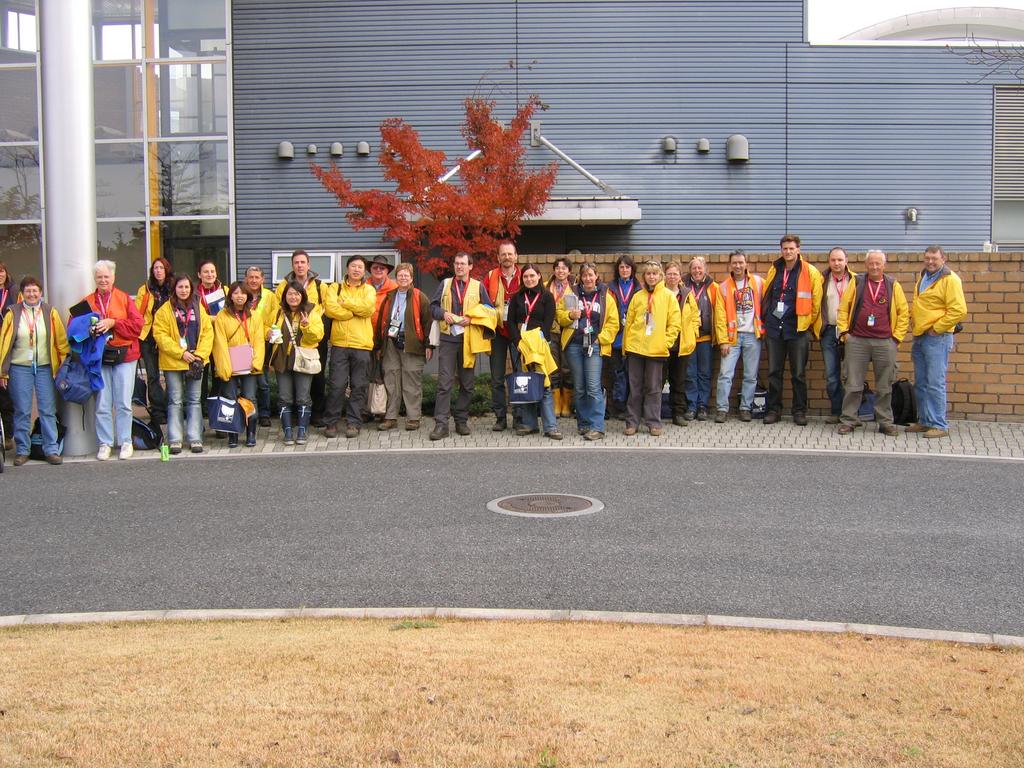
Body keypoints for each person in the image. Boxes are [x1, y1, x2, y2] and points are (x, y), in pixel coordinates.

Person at [836, 250, 909, 436]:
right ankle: (849, 420)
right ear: (866, 265)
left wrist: (896, 338)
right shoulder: (857, 282)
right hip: (857, 341)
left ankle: (885, 422)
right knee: (853, 383)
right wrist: (845, 333)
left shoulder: (893, 285)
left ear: (884, 265)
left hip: (885, 342)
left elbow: (903, 313)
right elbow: (843, 309)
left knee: (885, 386)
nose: (874, 267)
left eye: (878, 263)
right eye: (871, 263)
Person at [0, 276, 69, 465]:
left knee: (47, 409)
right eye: (28, 291)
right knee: (22, 410)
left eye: (35, 291)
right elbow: (3, 343)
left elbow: (61, 341)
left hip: (45, 367)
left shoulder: (50, 312)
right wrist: (3, 370)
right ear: (22, 293)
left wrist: (62, 365)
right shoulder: (12, 313)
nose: (31, 294)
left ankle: (51, 449)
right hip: (19, 367)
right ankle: (23, 450)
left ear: (40, 293)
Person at [429, 252, 496, 440]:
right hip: (448, 339)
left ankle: (461, 420)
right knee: (444, 383)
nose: (459, 267)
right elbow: (432, 307)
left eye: (463, 264)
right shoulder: (445, 284)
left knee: (467, 384)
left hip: (469, 340)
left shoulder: (478, 286)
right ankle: (441, 425)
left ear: (470, 266)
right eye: (457, 263)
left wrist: (472, 319)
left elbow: (489, 311)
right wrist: (443, 314)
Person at [84, 260, 145, 460]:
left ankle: (126, 441)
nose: (103, 280)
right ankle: (105, 443)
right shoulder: (87, 301)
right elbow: (74, 329)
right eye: (99, 277)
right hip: (99, 357)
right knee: (102, 403)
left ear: (113, 278)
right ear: (95, 279)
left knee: (123, 402)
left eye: (106, 276)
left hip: (124, 355)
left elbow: (138, 326)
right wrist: (88, 330)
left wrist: (114, 323)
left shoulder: (124, 298)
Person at [761, 234, 823, 426]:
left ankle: (799, 411)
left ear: (798, 249)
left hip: (797, 329)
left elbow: (816, 302)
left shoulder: (810, 271)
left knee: (798, 374)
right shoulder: (774, 268)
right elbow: (768, 295)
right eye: (785, 248)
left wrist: (807, 323)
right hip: (775, 329)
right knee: (774, 372)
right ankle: (774, 410)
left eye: (791, 248)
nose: (788, 252)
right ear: (781, 250)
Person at [907, 245, 968, 438]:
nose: (930, 262)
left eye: (934, 258)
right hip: (920, 335)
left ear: (943, 259)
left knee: (935, 382)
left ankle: (939, 425)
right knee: (921, 382)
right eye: (927, 258)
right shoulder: (924, 276)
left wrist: (937, 328)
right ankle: (925, 420)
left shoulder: (950, 279)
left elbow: (959, 310)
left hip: (937, 338)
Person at [556, 262, 619, 440]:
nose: (588, 278)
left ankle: (597, 427)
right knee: (579, 387)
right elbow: (559, 314)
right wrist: (569, 315)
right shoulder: (571, 294)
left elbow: (613, 323)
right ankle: (583, 424)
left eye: (591, 275)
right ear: (580, 277)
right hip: (574, 345)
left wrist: (601, 339)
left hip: (595, 345)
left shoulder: (606, 296)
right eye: (585, 275)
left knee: (593, 386)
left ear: (596, 276)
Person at [152, 274, 214, 454]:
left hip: (195, 362)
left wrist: (199, 355)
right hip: (173, 362)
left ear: (191, 289)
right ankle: (175, 439)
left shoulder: (198, 307)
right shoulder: (165, 310)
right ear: (174, 289)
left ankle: (195, 438)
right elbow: (160, 336)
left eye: (187, 287)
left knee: (194, 400)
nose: (184, 290)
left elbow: (208, 333)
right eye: (180, 287)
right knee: (175, 401)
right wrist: (181, 353)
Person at [622, 261, 680, 436]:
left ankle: (653, 422)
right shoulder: (637, 296)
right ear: (644, 276)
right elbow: (629, 322)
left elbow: (674, 324)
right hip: (636, 349)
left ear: (660, 276)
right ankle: (632, 422)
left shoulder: (668, 296)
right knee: (635, 388)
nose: (651, 277)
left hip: (656, 350)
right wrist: (626, 345)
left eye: (655, 273)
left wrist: (665, 343)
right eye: (648, 274)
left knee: (653, 388)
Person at [321, 254, 376, 438]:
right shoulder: (335, 288)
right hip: (340, 344)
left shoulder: (369, 289)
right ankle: (331, 422)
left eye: (360, 267)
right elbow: (330, 309)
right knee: (336, 385)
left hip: (362, 344)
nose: (356, 269)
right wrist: (351, 312)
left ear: (364, 271)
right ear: (347, 268)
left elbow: (368, 309)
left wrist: (346, 304)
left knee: (359, 386)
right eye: (353, 266)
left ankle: (354, 423)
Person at [374, 262, 433, 431]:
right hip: (390, 343)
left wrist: (429, 345)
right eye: (400, 275)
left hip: (412, 344)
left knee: (411, 381)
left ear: (411, 278)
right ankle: (390, 417)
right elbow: (381, 322)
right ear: (396, 278)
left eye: (406, 275)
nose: (403, 278)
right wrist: (379, 346)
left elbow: (428, 323)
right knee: (391, 380)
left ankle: (413, 418)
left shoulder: (419, 297)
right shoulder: (389, 296)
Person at [275, 249, 329, 426]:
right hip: (289, 334)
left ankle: (316, 413)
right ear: (292, 265)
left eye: (302, 262)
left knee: (316, 373)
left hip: (312, 333)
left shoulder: (320, 285)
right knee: (292, 372)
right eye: (296, 263)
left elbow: (328, 308)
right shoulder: (283, 285)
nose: (299, 266)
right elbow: (278, 308)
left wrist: (312, 323)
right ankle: (294, 415)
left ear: (308, 264)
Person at [507, 263, 560, 439]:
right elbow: (510, 322)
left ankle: (550, 427)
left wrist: (536, 342)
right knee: (525, 385)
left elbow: (548, 322)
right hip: (521, 347)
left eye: (532, 276)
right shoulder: (516, 297)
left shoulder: (547, 297)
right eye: (525, 276)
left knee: (544, 384)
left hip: (539, 346)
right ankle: (530, 424)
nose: (529, 279)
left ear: (538, 276)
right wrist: (517, 342)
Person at [268, 281, 324, 445]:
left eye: (296, 294)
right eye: (290, 294)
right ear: (284, 296)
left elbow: (318, 337)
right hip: (282, 359)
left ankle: (302, 430)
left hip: (303, 359)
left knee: (303, 397)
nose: (293, 297)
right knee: (284, 397)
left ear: (302, 296)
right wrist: (268, 332)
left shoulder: (311, 311)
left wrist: (307, 326)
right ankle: (287, 432)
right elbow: (266, 328)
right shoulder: (278, 312)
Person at [713, 250, 765, 423]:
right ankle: (721, 409)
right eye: (734, 263)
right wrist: (723, 341)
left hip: (753, 336)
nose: (738, 266)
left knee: (751, 375)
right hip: (731, 339)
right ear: (730, 264)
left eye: (741, 262)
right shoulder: (723, 287)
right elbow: (720, 317)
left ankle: (745, 408)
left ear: (746, 263)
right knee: (725, 374)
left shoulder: (758, 282)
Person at [212, 281, 266, 448]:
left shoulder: (255, 315)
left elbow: (259, 340)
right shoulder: (222, 316)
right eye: (235, 293)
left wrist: (257, 362)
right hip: (229, 362)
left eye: (242, 293)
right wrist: (224, 367)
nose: (239, 296)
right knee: (230, 400)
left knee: (250, 398)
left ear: (248, 296)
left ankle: (251, 433)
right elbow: (219, 343)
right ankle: (233, 434)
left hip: (249, 363)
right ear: (230, 296)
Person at [483, 240, 522, 431]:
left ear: (516, 256)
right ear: (498, 257)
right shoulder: (490, 276)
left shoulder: (525, 275)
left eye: (510, 254)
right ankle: (500, 418)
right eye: (503, 254)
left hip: (518, 333)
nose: (507, 257)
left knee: (519, 376)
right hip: (497, 331)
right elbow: (483, 302)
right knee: (497, 377)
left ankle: (519, 417)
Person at [135, 257, 173, 426]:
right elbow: (138, 313)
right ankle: (157, 411)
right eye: (155, 268)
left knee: (172, 375)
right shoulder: (145, 289)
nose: (158, 271)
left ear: (167, 270)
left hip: (168, 337)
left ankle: (172, 409)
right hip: (148, 337)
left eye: (161, 268)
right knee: (153, 376)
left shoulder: (173, 288)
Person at [663, 261, 701, 427]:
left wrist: (693, 334)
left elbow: (695, 316)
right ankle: (653, 414)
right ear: (664, 275)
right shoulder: (660, 293)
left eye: (675, 274)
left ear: (680, 276)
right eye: (669, 274)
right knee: (657, 381)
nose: (672, 277)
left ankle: (678, 413)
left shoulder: (687, 294)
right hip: (662, 344)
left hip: (682, 345)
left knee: (679, 381)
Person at [819, 247, 854, 424]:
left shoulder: (856, 280)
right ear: (829, 261)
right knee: (832, 376)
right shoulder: (822, 280)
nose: (837, 263)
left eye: (840, 260)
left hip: (850, 333)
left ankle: (851, 413)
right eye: (833, 260)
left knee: (851, 375)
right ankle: (836, 411)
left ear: (846, 260)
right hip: (829, 331)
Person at [603, 255, 640, 420]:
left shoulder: (639, 288)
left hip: (633, 338)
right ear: (617, 269)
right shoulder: (609, 288)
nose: (624, 270)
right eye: (621, 267)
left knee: (632, 374)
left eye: (627, 267)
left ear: (632, 269)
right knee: (616, 373)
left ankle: (630, 407)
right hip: (615, 338)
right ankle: (618, 406)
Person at [682, 257, 719, 421]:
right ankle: (691, 406)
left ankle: (703, 406)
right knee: (690, 373)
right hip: (689, 337)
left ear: (705, 269)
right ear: (690, 270)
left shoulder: (714, 287)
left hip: (706, 337)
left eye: (700, 268)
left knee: (704, 373)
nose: (697, 271)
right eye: (694, 268)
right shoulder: (683, 286)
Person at [245, 265, 279, 427]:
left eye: (257, 277)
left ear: (262, 279)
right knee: (246, 381)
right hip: (243, 343)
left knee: (263, 381)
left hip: (263, 342)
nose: (254, 280)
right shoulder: (240, 294)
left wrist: (267, 332)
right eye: (251, 277)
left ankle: (264, 414)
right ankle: (249, 414)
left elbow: (275, 318)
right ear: (246, 279)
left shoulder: (270, 296)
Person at [545, 257, 575, 417]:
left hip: (568, 331)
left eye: (564, 268)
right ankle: (556, 402)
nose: (560, 271)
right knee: (554, 367)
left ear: (569, 271)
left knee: (567, 368)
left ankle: (566, 402)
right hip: (551, 331)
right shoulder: (545, 286)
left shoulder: (575, 288)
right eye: (557, 268)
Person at [196, 259, 225, 412]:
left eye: (212, 271)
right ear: (199, 274)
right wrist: (210, 319)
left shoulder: (224, 290)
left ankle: (215, 409)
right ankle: (200, 409)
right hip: (200, 340)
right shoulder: (193, 293)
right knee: (201, 373)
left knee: (219, 374)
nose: (209, 274)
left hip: (220, 338)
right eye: (206, 272)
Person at [0, 261, 19, 450]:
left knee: (5, 393)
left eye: (2, 271)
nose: (0, 275)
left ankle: (8, 435)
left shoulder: (13, 292)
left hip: (7, 345)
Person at [367, 254, 398, 325]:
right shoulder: (362, 287)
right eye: (375, 267)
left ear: (387, 271)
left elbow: (398, 312)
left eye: (382, 268)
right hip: (365, 329)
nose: (378, 270)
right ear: (370, 270)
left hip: (385, 329)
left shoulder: (395, 288)